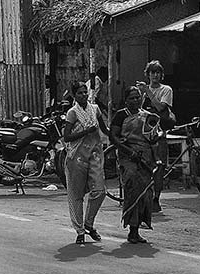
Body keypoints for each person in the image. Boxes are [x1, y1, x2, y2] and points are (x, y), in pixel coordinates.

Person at [63, 82, 107, 244]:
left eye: (85, 92)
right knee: (76, 195)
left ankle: (89, 223)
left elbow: (105, 130)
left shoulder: (95, 109)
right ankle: (80, 230)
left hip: (94, 155)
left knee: (100, 191)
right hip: (77, 157)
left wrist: (119, 140)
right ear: (74, 95)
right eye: (80, 93)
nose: (83, 95)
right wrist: (85, 131)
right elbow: (67, 137)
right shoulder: (72, 113)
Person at [111, 85, 156, 244]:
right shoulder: (121, 115)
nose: (136, 100)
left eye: (138, 97)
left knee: (145, 194)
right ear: (126, 100)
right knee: (132, 191)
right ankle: (132, 230)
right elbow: (113, 137)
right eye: (132, 98)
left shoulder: (147, 115)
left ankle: (137, 230)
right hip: (128, 158)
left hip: (145, 158)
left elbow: (153, 137)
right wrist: (129, 152)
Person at [139, 60, 175, 212]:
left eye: (158, 72)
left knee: (159, 167)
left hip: (159, 134)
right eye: (152, 72)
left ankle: (156, 198)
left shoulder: (166, 90)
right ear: (148, 74)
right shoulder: (142, 91)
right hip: (144, 134)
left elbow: (160, 107)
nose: (155, 75)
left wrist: (148, 91)